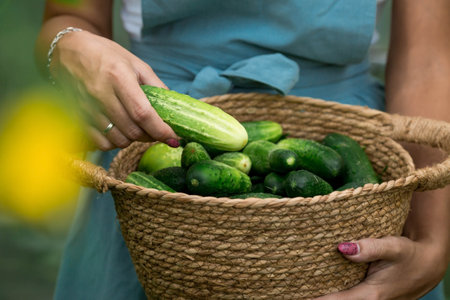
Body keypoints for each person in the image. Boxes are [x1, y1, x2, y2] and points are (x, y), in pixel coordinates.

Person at [35, 0, 450, 299]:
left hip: (345, 133)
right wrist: (71, 45)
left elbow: (427, 56)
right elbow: (68, 17)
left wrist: (432, 242)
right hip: (156, 136)